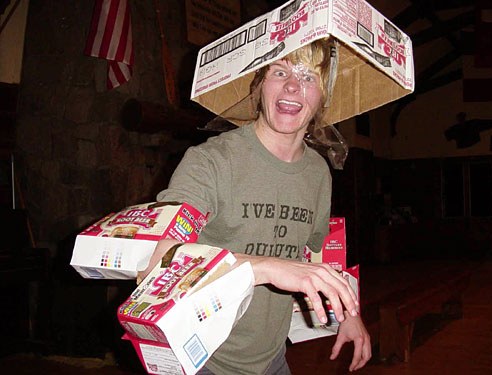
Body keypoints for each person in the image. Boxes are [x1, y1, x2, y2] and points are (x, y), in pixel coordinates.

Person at [140, 37, 371, 375]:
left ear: (323, 96)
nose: (293, 86)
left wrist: (348, 312)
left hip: (272, 359)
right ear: (259, 85)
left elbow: (315, 252)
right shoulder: (210, 161)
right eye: (280, 72)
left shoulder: (318, 172)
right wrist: (267, 267)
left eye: (309, 77)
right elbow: (158, 260)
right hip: (202, 359)